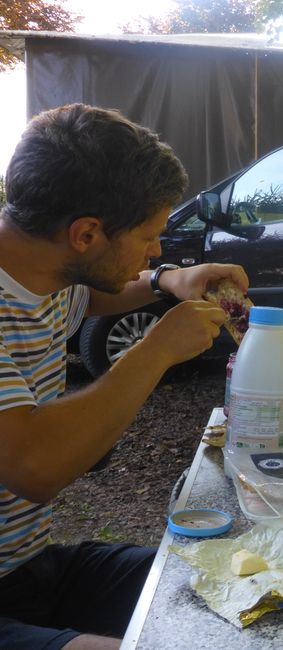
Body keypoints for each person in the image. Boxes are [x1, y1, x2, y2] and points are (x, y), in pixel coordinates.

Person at [0, 103, 247, 649]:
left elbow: (93, 291)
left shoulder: (46, 272)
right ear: (86, 233)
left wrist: (171, 280)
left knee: (241, 580)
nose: (156, 249)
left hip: (29, 568)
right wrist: (154, 349)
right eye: (150, 236)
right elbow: (32, 468)